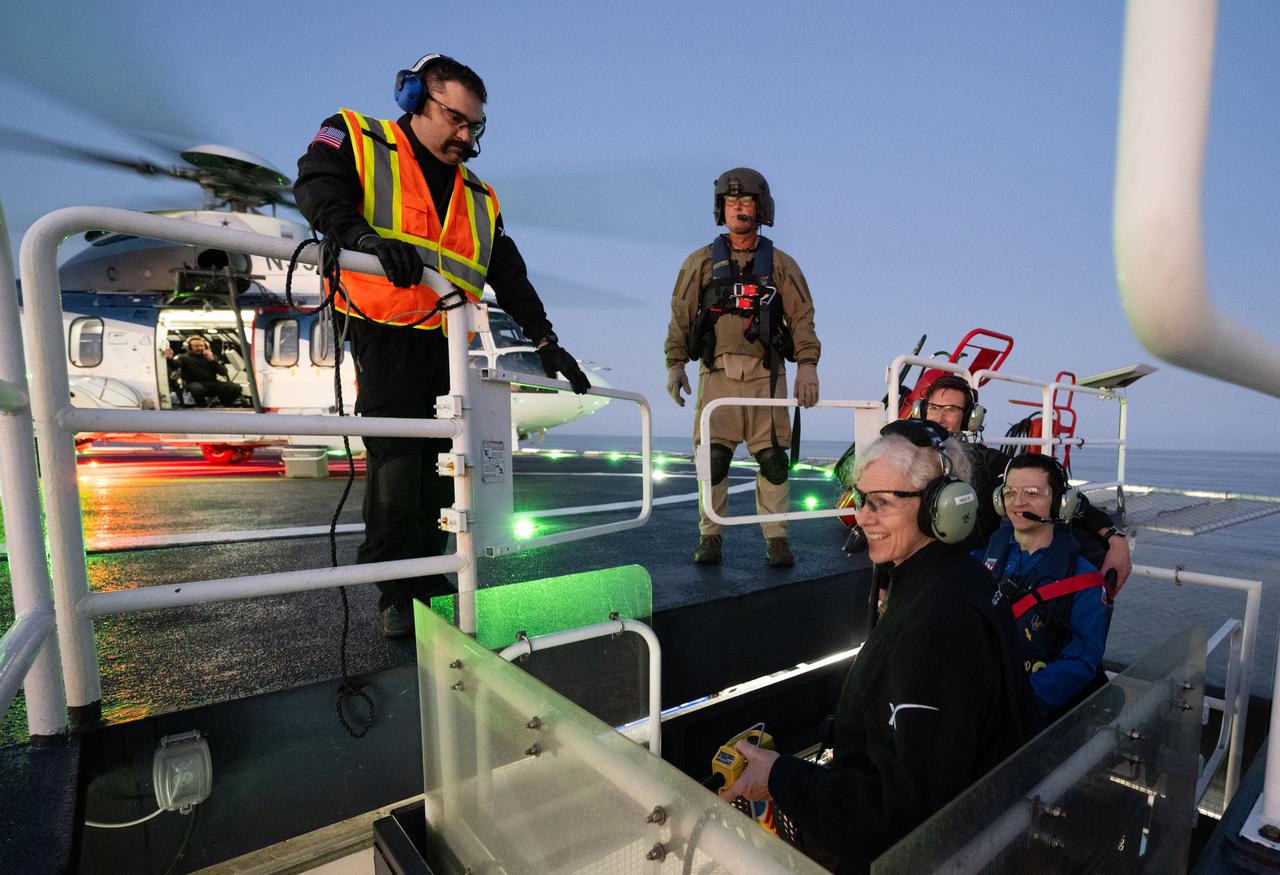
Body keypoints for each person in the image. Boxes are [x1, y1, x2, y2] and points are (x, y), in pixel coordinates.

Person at [293, 53, 591, 638]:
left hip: (448, 342)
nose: (466, 136)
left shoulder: (480, 196)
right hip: (383, 331)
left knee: (443, 468)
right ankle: (397, 592)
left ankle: (432, 577)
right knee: (399, 466)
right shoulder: (357, 137)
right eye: (455, 120)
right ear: (413, 102)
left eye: (474, 126)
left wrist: (546, 341)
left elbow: (510, 273)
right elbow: (316, 186)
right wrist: (359, 238)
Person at [723, 420, 1032, 873]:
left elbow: (901, 816)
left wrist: (779, 776)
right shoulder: (960, 581)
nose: (862, 516)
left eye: (881, 503)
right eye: (862, 499)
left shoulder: (936, 630)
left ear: (939, 510)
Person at [664, 168, 821, 567]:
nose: (738, 207)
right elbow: (680, 315)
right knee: (711, 460)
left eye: (746, 201)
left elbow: (802, 316)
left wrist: (807, 366)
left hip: (767, 377)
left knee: (773, 460)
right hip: (716, 376)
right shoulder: (700, 262)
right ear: (721, 209)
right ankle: (710, 535)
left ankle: (777, 538)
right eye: (731, 202)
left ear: (761, 208)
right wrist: (675, 364)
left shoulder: (781, 265)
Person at [919, 374, 1131, 595]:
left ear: (969, 419)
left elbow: (1062, 496)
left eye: (951, 409)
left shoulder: (989, 464)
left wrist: (1114, 539)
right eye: (934, 408)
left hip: (963, 577)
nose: (939, 418)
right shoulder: (900, 463)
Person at [979, 453, 1109, 723]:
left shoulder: (1084, 580)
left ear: (1061, 504)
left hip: (1028, 715)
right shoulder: (978, 560)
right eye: (1010, 492)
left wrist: (1010, 704)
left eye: (1033, 493)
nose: (1018, 502)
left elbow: (1080, 663)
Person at [163, 336, 242, 407]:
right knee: (196, 388)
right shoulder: (183, 357)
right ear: (190, 347)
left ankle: (225, 403)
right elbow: (175, 365)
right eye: (196, 346)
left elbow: (223, 372)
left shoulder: (211, 357)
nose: (200, 348)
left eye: (202, 346)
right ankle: (202, 406)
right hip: (194, 383)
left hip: (213, 382)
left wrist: (212, 360)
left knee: (236, 387)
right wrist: (170, 359)